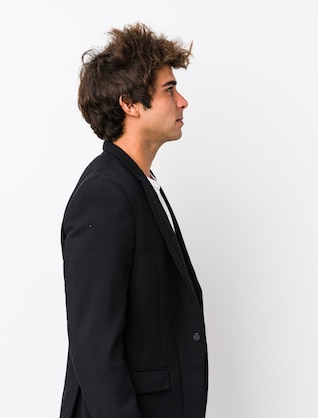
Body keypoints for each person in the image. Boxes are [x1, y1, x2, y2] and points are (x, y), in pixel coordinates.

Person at [59, 23, 208, 418]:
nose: (183, 102)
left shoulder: (140, 185)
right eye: (169, 90)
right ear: (130, 104)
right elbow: (94, 350)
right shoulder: (104, 195)